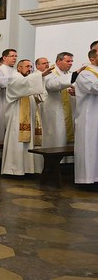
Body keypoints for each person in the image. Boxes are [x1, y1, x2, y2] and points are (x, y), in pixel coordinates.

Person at [1, 59, 51, 176]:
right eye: (27, 66)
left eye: (31, 67)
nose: (30, 69)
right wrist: (40, 75)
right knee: (17, 141)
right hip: (17, 116)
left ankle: (29, 169)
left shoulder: (28, 79)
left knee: (31, 141)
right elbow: (24, 85)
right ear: (19, 68)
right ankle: (14, 169)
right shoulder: (15, 78)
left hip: (31, 115)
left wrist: (40, 78)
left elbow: (39, 94)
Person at [43, 52, 81, 154]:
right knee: (56, 137)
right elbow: (52, 85)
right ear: (58, 61)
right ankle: (54, 165)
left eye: (72, 61)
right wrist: (74, 76)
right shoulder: (50, 72)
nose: (70, 63)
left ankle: (67, 165)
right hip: (55, 111)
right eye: (68, 61)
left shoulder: (69, 74)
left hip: (70, 110)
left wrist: (76, 91)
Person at [74, 50, 98, 185]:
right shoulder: (85, 74)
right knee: (89, 148)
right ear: (92, 58)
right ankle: (86, 181)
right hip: (89, 117)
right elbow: (94, 87)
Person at [0, 49, 18, 141]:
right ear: (4, 57)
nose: (14, 58)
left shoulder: (14, 70)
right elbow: (2, 83)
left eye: (16, 56)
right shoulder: (1, 69)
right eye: (12, 56)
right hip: (3, 102)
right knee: (2, 127)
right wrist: (17, 80)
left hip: (12, 102)